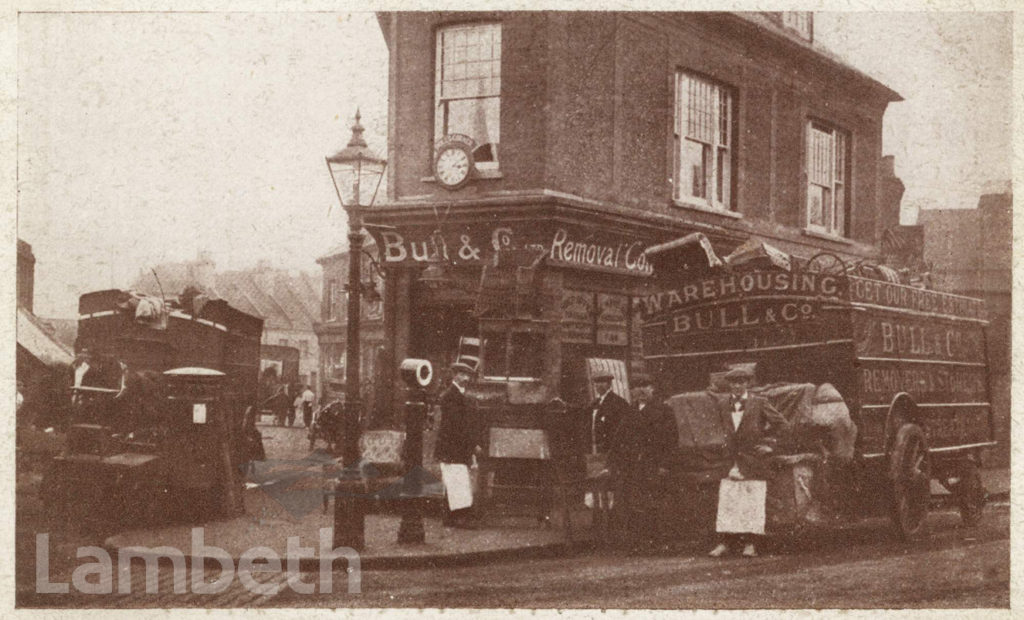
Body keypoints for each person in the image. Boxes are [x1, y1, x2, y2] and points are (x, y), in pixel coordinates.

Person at [708, 364, 789, 558]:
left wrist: (771, 445)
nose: (737, 386)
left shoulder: (759, 402)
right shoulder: (721, 404)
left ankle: (751, 544)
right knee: (728, 499)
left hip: (753, 459)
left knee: (752, 500)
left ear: (747, 383)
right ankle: (725, 543)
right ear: (728, 385)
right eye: (733, 382)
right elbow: (719, 428)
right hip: (730, 459)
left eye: (741, 382)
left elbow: (783, 425)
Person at [608, 374, 677, 553]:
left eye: (646, 386)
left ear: (653, 389)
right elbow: (618, 440)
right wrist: (612, 464)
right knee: (634, 504)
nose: (641, 390)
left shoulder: (664, 411)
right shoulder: (630, 412)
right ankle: (639, 542)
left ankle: (659, 541)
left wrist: (664, 465)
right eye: (637, 387)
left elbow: (671, 441)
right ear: (632, 391)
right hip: (633, 466)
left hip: (654, 465)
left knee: (655, 504)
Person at [434, 361, 484, 528]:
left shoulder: (461, 395)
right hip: (452, 445)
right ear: (455, 375)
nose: (466, 378)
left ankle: (450, 518)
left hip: (456, 445)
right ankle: (459, 518)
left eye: (468, 375)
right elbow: (457, 425)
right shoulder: (450, 396)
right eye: (463, 374)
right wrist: (472, 445)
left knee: (456, 479)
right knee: (457, 479)